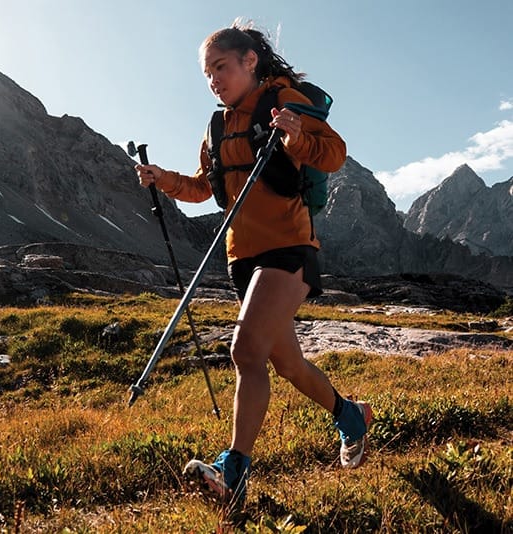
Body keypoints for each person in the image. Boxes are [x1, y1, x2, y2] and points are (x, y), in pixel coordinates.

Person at [134, 20, 372, 507]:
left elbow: (335, 155)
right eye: (207, 74)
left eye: (221, 67)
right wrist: (163, 179)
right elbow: (205, 187)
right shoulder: (217, 127)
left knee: (245, 351)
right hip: (242, 257)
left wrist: (295, 137)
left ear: (250, 61)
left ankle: (233, 471)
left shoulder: (285, 100)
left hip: (289, 247)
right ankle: (352, 416)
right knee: (285, 362)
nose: (214, 80)